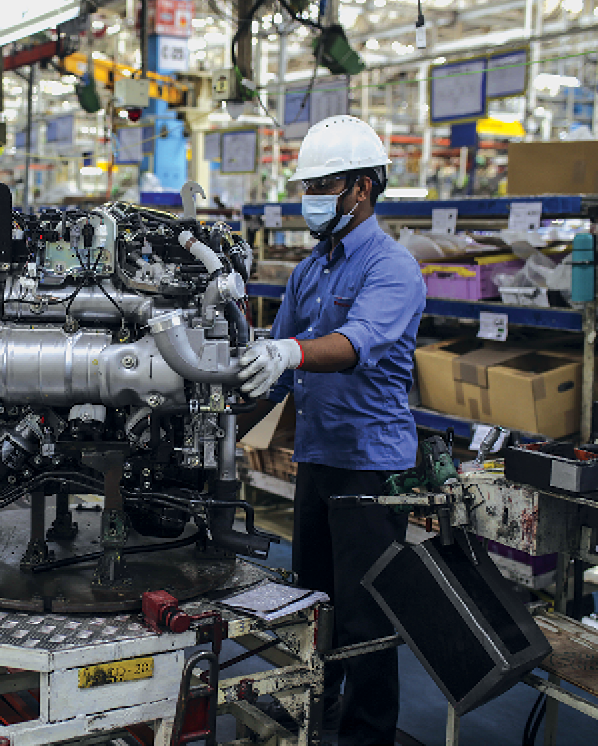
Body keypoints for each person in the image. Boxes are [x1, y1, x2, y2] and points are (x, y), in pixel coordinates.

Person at [237, 115, 427, 746]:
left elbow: (352, 344)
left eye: (324, 183)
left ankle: (369, 733)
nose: (311, 195)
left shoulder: (393, 267)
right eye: (308, 183)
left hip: (370, 464)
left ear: (362, 189)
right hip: (318, 456)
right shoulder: (311, 268)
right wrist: (226, 414)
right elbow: (277, 366)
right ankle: (319, 707)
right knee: (315, 600)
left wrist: (289, 352)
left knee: (366, 613)